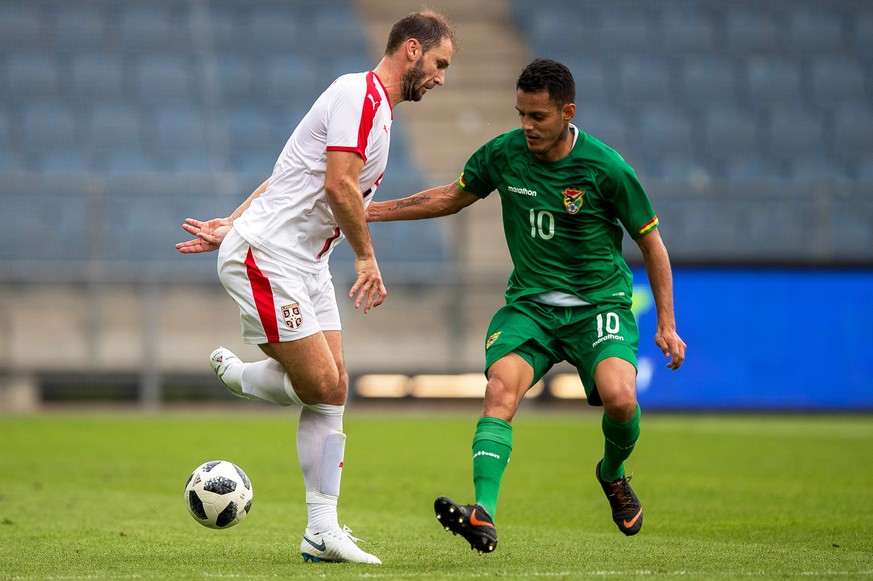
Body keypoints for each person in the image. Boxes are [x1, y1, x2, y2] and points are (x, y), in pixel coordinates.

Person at [366, 58, 686, 553]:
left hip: (598, 304)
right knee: (499, 390)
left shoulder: (607, 168)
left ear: (567, 112)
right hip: (531, 307)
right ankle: (483, 513)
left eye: (537, 117)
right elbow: (452, 197)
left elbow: (653, 246)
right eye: (520, 115)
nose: (526, 127)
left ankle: (612, 474)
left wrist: (666, 323)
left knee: (621, 399)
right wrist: (368, 213)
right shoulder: (504, 155)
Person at [175, 11, 457, 565]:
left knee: (334, 389)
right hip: (270, 258)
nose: (442, 78)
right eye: (440, 64)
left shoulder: (378, 113)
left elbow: (287, 177)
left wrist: (232, 220)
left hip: (305, 263)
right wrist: (367, 257)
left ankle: (321, 533)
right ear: (412, 50)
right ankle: (244, 378)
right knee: (322, 386)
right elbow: (336, 186)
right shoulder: (360, 95)